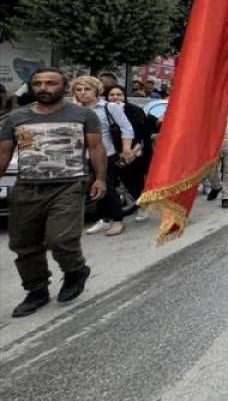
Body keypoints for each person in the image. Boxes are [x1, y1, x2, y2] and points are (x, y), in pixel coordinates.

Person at [1, 69, 105, 317]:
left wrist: (100, 178)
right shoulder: (15, 118)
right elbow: (4, 153)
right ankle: (36, 290)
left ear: (64, 86)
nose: (43, 88)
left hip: (68, 185)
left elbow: (96, 148)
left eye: (50, 83)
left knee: (60, 239)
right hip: (27, 186)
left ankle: (75, 271)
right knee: (24, 244)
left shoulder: (84, 115)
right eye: (37, 84)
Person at [72, 75, 134, 237]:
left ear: (96, 91)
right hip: (80, 155)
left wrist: (126, 149)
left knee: (107, 188)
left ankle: (117, 221)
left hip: (105, 154)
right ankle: (104, 219)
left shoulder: (110, 107)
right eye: (78, 90)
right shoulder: (73, 110)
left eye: (87, 89)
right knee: (92, 189)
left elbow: (126, 128)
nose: (83, 93)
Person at [105, 84, 152, 222]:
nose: (115, 97)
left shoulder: (134, 110)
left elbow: (142, 132)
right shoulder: (104, 111)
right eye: (112, 95)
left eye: (119, 94)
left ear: (124, 96)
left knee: (134, 181)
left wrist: (132, 151)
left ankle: (143, 206)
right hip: (111, 152)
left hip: (134, 151)